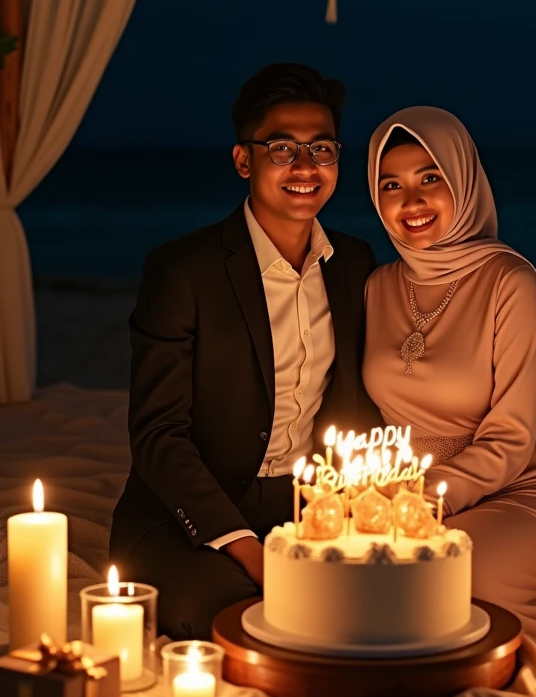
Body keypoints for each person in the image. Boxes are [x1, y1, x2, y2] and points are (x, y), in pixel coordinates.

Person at [110, 63, 377, 640]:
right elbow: (157, 435)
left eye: (322, 148)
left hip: (309, 509)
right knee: (246, 620)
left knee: (379, 608)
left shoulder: (355, 264)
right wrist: (254, 556)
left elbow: (356, 402)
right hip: (191, 514)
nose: (306, 167)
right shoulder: (182, 269)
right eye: (282, 148)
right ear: (243, 160)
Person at [363, 106, 536, 648]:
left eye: (430, 178)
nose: (412, 201)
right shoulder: (376, 287)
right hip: (406, 492)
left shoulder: (510, 281)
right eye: (391, 184)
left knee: (453, 576)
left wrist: (423, 498)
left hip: (523, 491)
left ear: (464, 181)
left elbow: (513, 437)